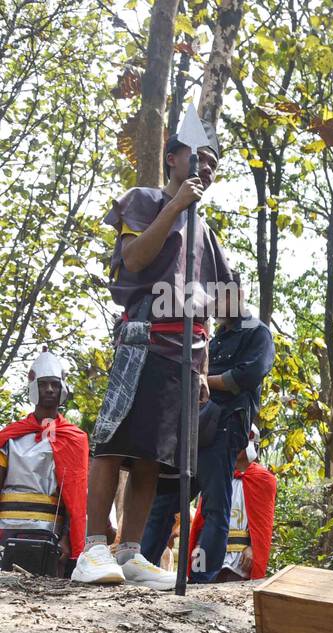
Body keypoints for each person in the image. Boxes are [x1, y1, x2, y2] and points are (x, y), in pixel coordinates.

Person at [74, 126, 237, 590]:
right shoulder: (145, 200)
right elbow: (136, 259)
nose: (205, 167)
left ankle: (129, 551)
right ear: (172, 158)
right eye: (198, 157)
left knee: (154, 457)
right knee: (115, 443)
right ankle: (92, 547)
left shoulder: (205, 232)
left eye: (212, 162)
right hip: (143, 339)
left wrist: (205, 368)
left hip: (184, 355)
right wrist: (176, 207)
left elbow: (218, 304)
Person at [140, 277, 273, 580]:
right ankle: (142, 565)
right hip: (194, 426)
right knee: (166, 499)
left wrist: (201, 381)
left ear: (238, 294)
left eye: (221, 296)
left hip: (227, 425)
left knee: (215, 502)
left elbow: (244, 376)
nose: (215, 304)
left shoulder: (257, 332)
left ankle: (203, 579)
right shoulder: (216, 338)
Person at [0, 351, 88, 576]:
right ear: (33, 387)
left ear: (62, 389)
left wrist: (67, 538)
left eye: (54, 384)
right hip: (6, 531)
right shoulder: (10, 437)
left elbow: (75, 497)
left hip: (50, 532)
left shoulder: (73, 439)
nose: (49, 389)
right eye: (43, 384)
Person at [185, 427, 277, 581]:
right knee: (198, 585)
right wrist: (199, 545)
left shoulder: (264, 480)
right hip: (207, 548)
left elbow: (263, 525)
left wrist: (253, 548)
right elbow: (205, 516)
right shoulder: (218, 474)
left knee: (230, 593)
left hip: (241, 555)